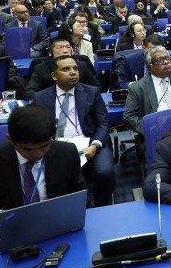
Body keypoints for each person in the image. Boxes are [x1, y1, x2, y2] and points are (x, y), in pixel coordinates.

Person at [32, 55, 114, 206]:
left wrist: (95, 145)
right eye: (66, 69)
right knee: (59, 180)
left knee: (105, 172)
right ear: (54, 75)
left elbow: (103, 123)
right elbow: (39, 129)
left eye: (75, 68)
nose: (72, 72)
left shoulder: (92, 92)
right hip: (57, 148)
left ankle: (102, 208)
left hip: (91, 144)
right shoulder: (40, 98)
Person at [0, 105, 85, 212]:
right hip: (12, 224)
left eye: (44, 146)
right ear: (10, 139)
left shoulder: (67, 153)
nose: (37, 154)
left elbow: (81, 195)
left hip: (56, 219)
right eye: (28, 150)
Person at [123, 46, 171, 135]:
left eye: (167, 58)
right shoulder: (137, 88)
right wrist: (150, 129)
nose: (166, 62)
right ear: (150, 67)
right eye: (160, 60)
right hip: (157, 132)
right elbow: (129, 117)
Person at [25, 38, 100, 99]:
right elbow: (29, 92)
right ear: (50, 53)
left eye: (68, 47)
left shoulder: (82, 65)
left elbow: (96, 87)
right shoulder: (41, 68)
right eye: (60, 48)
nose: (65, 50)